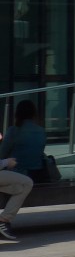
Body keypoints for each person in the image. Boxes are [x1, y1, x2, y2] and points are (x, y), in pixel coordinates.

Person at [0, 99, 46, 243]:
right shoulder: (41, 131)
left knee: (21, 185)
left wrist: (7, 161)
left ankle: (4, 220)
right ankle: (4, 220)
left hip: (16, 173)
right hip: (34, 173)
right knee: (23, 185)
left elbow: (2, 153)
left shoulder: (14, 131)